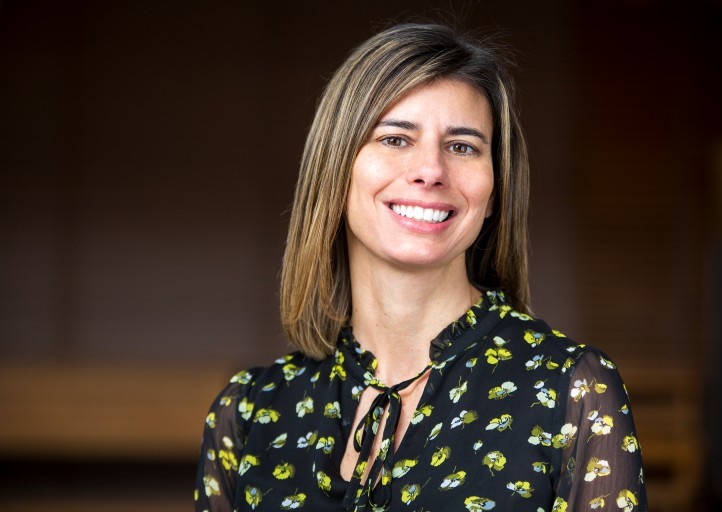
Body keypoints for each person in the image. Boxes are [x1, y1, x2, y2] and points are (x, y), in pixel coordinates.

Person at [194, 22, 647, 512]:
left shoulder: (572, 390)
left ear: (494, 192)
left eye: (462, 146)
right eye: (394, 139)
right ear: (336, 167)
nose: (430, 170)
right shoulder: (247, 412)